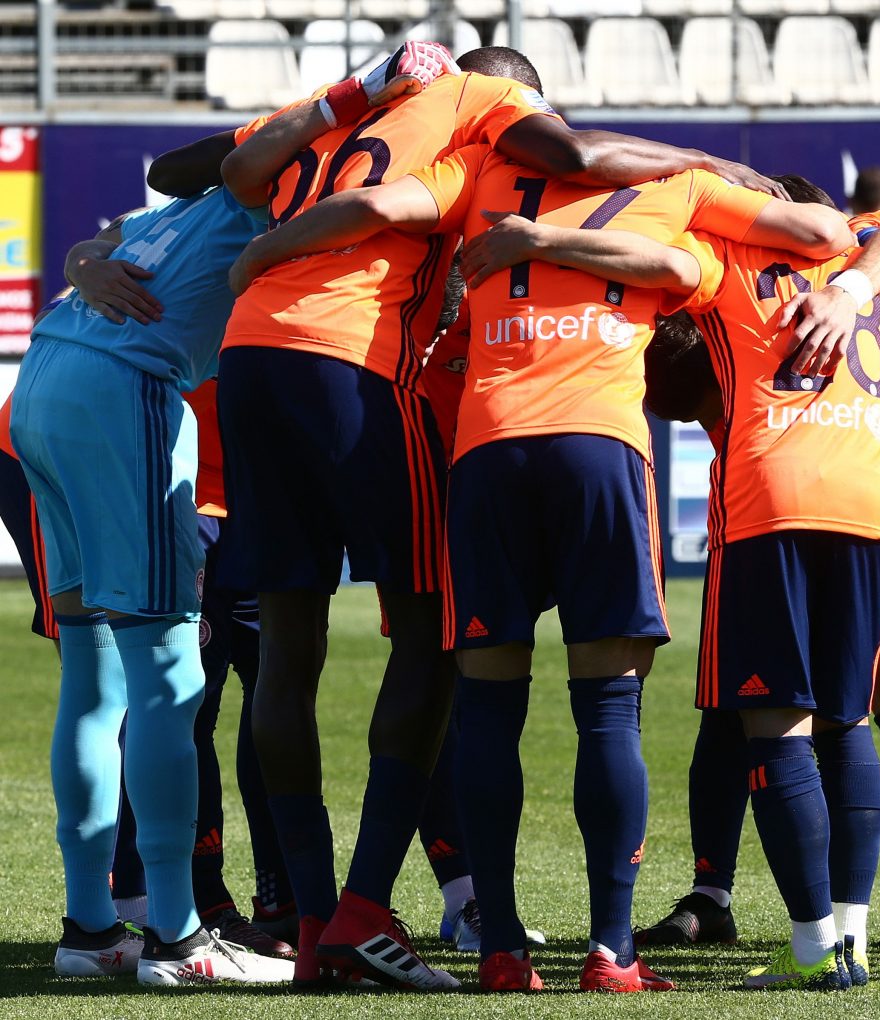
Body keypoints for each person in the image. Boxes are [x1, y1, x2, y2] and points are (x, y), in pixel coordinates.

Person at [206, 44, 805, 992]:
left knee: (318, 653)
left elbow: (259, 179)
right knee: (551, 683)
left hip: (362, 399)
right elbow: (748, 229)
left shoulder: (440, 158)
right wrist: (716, 168)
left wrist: (262, 252)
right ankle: (584, 945)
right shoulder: (588, 159)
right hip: (518, 419)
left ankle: (386, 930)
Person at [453, 177, 880, 989]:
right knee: (849, 720)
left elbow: (658, 262)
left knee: (776, 729)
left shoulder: (729, 264)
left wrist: (540, 241)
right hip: (873, 502)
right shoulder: (876, 270)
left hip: (772, 500)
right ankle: (852, 936)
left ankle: (812, 948)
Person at [8, 186, 296, 986]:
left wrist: (81, 261)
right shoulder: (283, 210)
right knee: (170, 675)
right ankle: (177, 937)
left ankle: (91, 929)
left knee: (92, 676)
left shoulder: (166, 213)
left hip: (41, 389)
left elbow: (95, 247)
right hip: (122, 394)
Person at [632, 320, 880, 953]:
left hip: (870, 479)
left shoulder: (851, 276)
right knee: (734, 687)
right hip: (763, 491)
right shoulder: (734, 307)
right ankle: (713, 894)